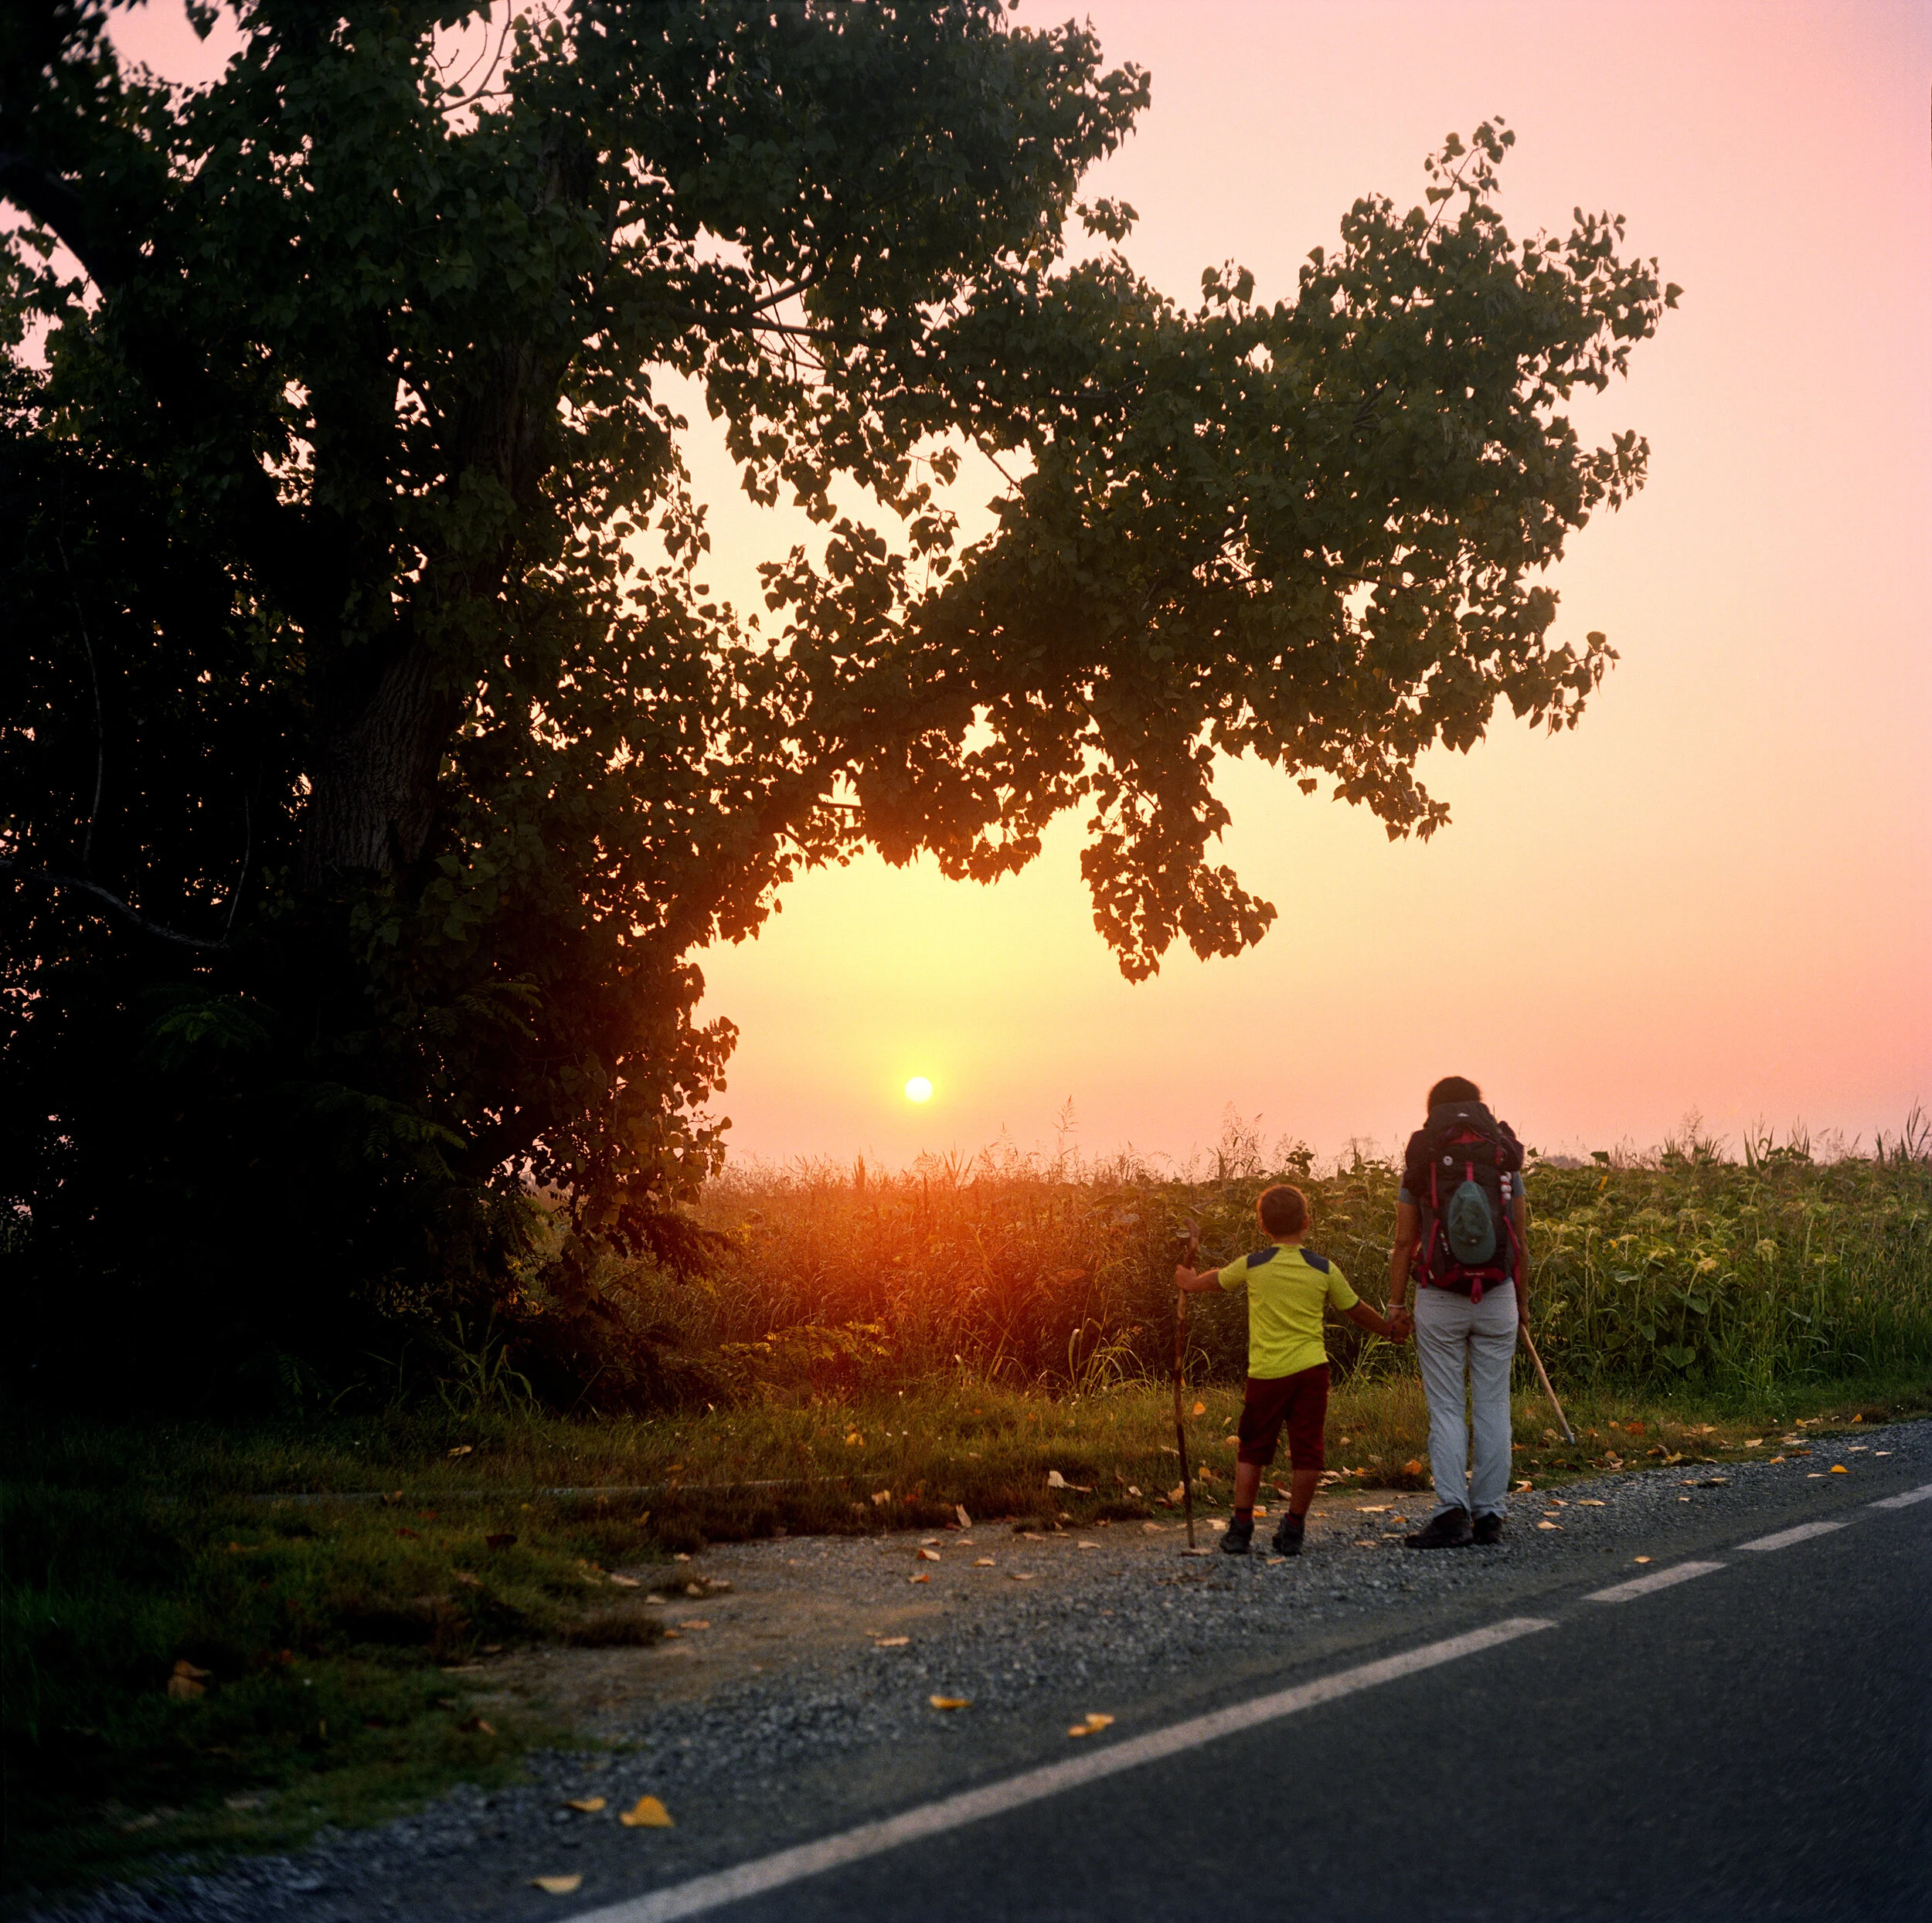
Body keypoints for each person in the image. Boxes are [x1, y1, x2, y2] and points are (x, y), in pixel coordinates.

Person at [1174, 1183, 1406, 1557]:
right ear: (1307, 1222)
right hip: (1312, 1370)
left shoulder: (1253, 1264)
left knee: (1252, 1450)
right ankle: (1294, 1527)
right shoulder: (1323, 1269)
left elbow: (1216, 1279)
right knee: (1308, 1450)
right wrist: (1390, 1329)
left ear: (1263, 1226)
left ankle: (1241, 1527)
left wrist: (1188, 1282)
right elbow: (1356, 1309)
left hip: (1266, 1375)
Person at [1389, 1075, 1528, 1548]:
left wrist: (1395, 1304)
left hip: (1439, 1295)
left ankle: (1452, 1513)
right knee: (1494, 1405)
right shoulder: (1502, 1158)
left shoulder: (1424, 1159)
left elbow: (1405, 1241)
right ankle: (1490, 1514)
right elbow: (1521, 1243)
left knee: (1446, 1408)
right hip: (1498, 1295)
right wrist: (1522, 1304)